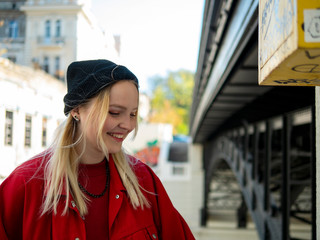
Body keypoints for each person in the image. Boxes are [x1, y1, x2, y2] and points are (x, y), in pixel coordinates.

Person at [0, 59, 195, 239]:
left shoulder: (143, 180)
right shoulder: (26, 184)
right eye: (115, 112)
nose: (127, 125)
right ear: (76, 110)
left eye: (133, 114)